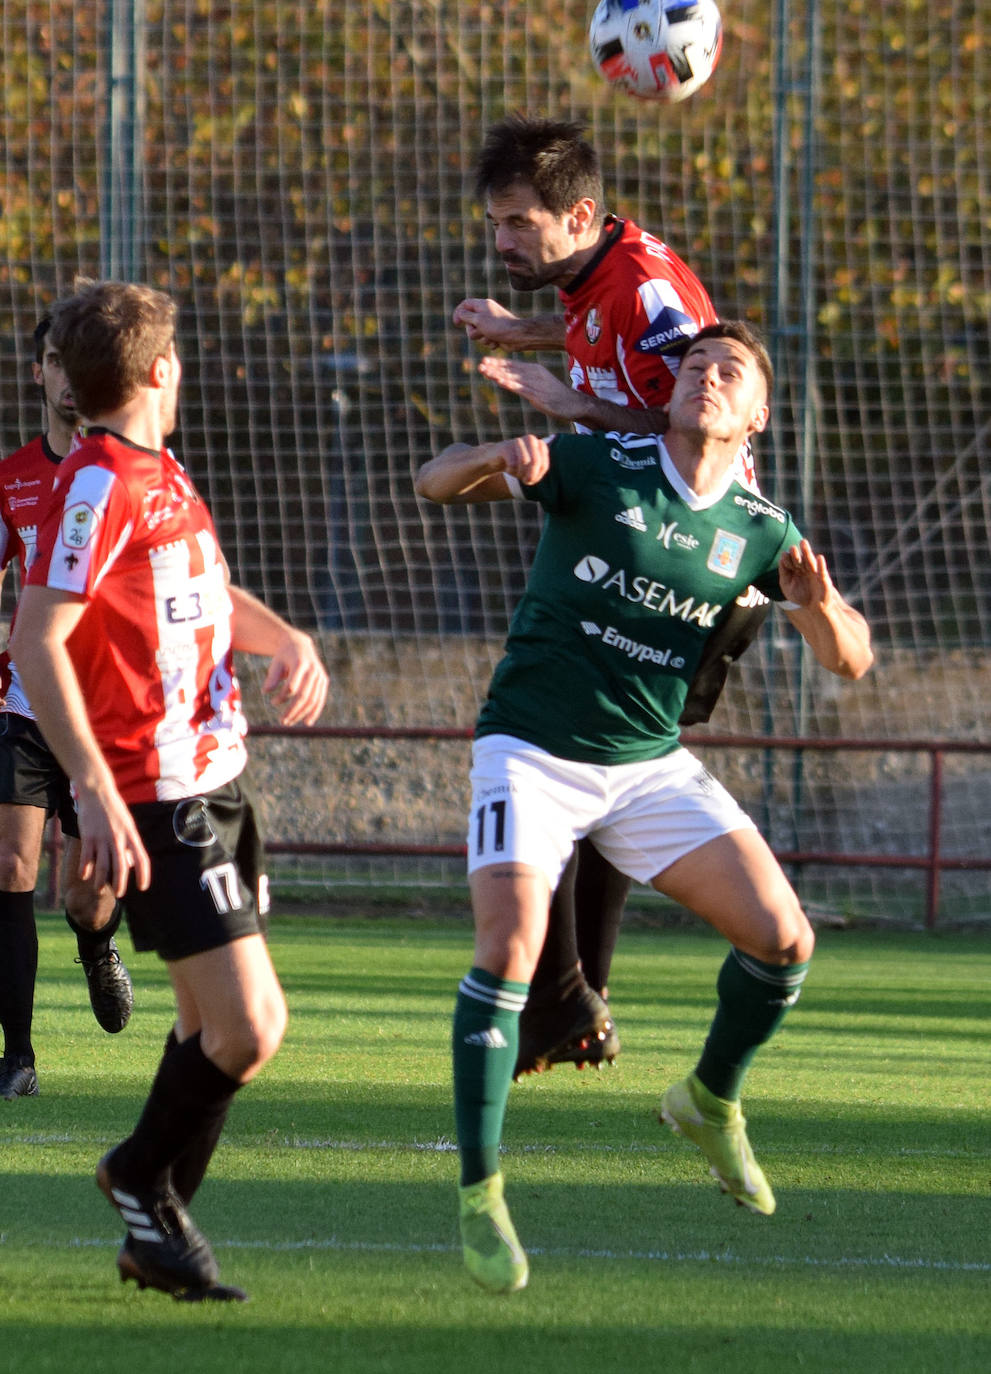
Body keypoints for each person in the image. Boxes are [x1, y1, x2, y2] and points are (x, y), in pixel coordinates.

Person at [415, 321, 873, 1292]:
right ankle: (478, 1191)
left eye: (731, 371)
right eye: (695, 365)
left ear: (755, 415)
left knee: (784, 939)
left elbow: (851, 658)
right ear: (668, 396)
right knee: (506, 950)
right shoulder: (598, 465)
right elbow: (433, 478)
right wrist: (497, 456)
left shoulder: (759, 530)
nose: (708, 376)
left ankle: (708, 1100)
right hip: (531, 751)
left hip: (645, 767)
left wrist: (820, 606)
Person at [11, 280, 329, 1302]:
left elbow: (197, 591)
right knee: (251, 1029)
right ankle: (138, 1177)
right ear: (161, 372)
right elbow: (37, 636)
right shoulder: (100, 483)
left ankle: (157, 1234)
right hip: (160, 797)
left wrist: (284, 637)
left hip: (217, 782)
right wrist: (96, 788)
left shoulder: (158, 470)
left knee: (207, 1033)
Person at [453, 114, 769, 1077]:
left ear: (578, 213)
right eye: (497, 223)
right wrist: (525, 328)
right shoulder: (602, 276)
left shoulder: (643, 285)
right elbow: (609, 330)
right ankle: (571, 997)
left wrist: (574, 404)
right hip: (657, 545)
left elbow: (689, 418)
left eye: (516, 224)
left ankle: (563, 997)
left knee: (577, 752)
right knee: (597, 759)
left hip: (689, 554)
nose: (501, 242)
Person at [0, 317, 134, 1102]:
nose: (67, 378)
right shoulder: (13, 475)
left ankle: (95, 945)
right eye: (55, 361)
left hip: (103, 716)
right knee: (11, 868)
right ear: (41, 372)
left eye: (79, 363)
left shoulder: (129, 472)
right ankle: (18, 1056)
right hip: (22, 702)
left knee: (88, 893)